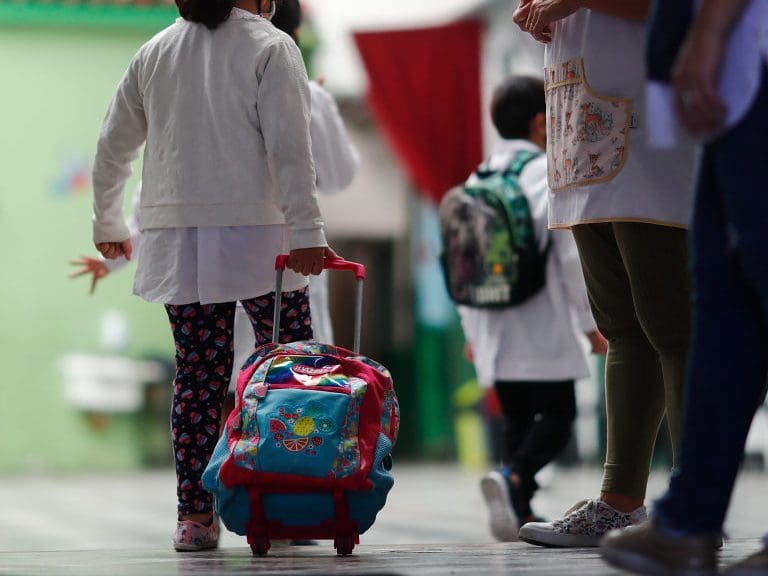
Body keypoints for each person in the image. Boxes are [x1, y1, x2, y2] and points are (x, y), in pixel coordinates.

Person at [90, 0, 334, 552]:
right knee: (290, 374)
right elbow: (291, 151)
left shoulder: (153, 52)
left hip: (177, 240)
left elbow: (113, 147)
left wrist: (107, 220)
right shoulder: (272, 45)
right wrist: (307, 232)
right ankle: (288, 502)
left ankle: (194, 517)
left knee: (198, 378)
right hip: (263, 242)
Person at [512, 0, 697, 547]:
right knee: (623, 327)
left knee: (675, 327)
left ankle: (692, 508)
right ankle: (620, 503)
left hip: (650, 130)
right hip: (583, 127)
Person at [601, 1, 768, 574]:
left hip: (746, 49)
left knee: (741, 294)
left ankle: (688, 520)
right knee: (725, 304)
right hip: (738, 75)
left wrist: (710, 27)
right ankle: (689, 519)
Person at [455, 75, 606, 542]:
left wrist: (471, 331)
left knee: (517, 418)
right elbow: (565, 253)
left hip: (491, 320)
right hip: (543, 316)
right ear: (541, 121)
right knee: (558, 418)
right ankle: (511, 478)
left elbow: (461, 260)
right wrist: (588, 324)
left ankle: (517, 508)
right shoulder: (544, 171)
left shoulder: (478, 176)